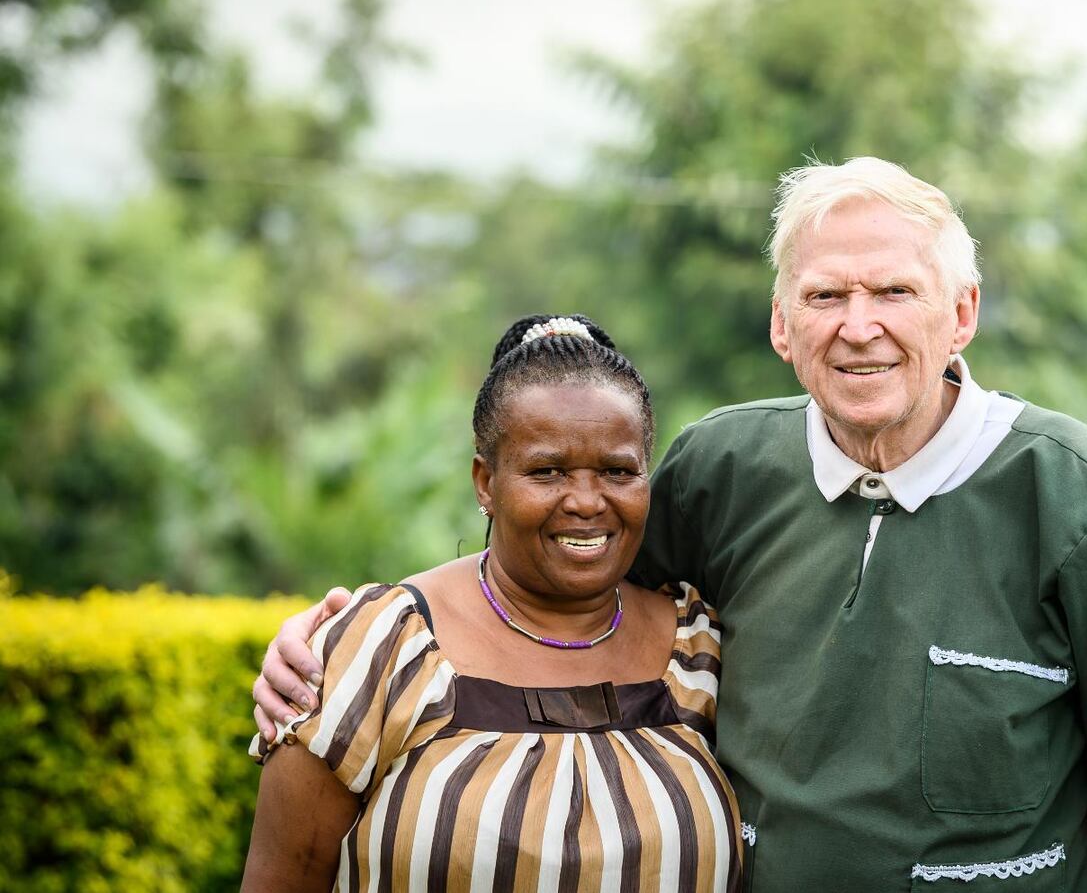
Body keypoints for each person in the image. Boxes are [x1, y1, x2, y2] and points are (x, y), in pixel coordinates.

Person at [255, 158, 1087, 892]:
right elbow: (563, 584)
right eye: (825, 295)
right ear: (781, 323)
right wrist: (352, 645)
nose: (859, 324)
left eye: (894, 290)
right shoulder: (725, 470)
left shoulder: (1065, 486)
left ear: (963, 311)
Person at [242, 315, 744, 892]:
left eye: (617, 471)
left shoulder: (699, 649)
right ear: (486, 482)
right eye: (547, 470)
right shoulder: (382, 648)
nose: (586, 500)